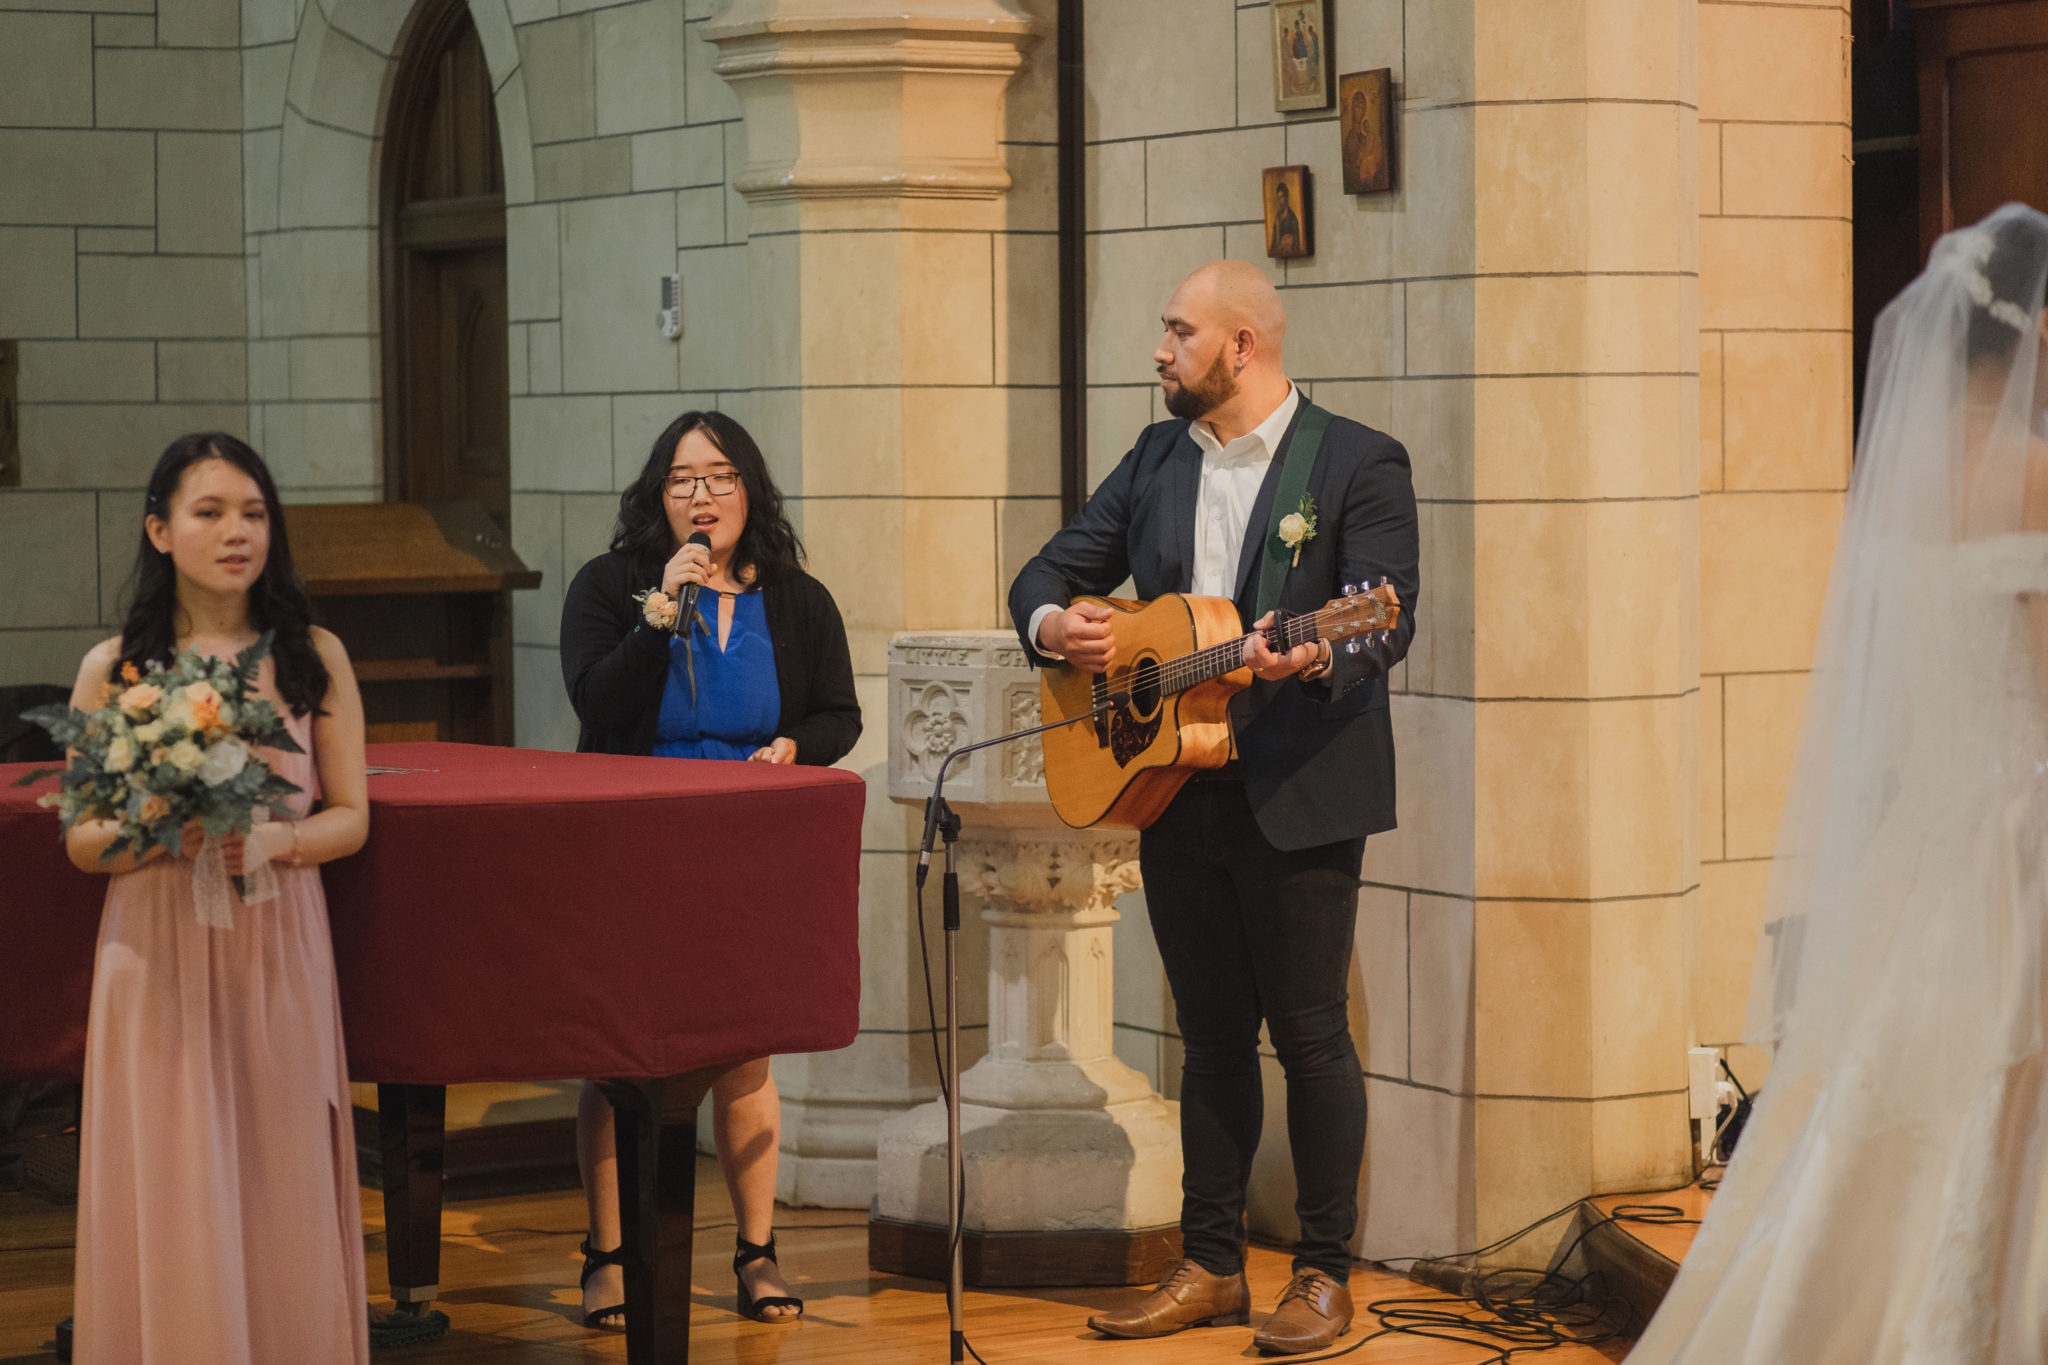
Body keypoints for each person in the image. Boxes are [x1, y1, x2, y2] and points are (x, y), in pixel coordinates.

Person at [1630, 206, 2048, 1364]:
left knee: (1894, 1090)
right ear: (2033, 331)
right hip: (2018, 828)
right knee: (1998, 1084)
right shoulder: (2030, 476)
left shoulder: (1896, 485)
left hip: (1928, 826)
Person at [1009, 260, 1419, 1355]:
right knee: (1209, 1039)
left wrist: (1312, 661)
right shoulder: (1154, 457)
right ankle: (1211, 1266)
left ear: (1241, 345)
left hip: (1296, 790)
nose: (1159, 350)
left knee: (1310, 1033)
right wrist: (1061, 631)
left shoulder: (1355, 462)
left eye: (1177, 331)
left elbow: (1384, 625)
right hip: (1172, 787)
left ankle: (1325, 1276)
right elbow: (1045, 572)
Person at [66, 433, 371, 1364]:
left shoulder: (313, 656)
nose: (237, 532)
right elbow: (83, 840)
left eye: (253, 512)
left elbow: (351, 816)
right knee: (170, 1168)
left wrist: (274, 838)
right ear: (160, 530)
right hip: (153, 941)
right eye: (209, 513)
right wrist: (161, 819)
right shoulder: (114, 666)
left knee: (279, 1167)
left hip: (276, 931)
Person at [558, 409, 861, 1329]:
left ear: (749, 490)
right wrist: (661, 610)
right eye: (683, 478)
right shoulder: (613, 586)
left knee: (742, 1051)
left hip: (745, 846)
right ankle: (607, 1256)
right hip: (633, 843)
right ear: (660, 496)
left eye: (721, 476)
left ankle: (756, 1252)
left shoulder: (798, 598)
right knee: (615, 1055)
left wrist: (789, 743)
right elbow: (595, 698)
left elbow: (839, 714)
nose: (702, 494)